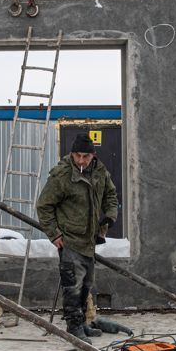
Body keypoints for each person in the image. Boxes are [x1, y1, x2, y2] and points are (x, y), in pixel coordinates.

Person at [36, 133, 118, 338]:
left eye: (85, 156)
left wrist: (109, 216)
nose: (81, 160)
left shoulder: (99, 171)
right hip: (70, 240)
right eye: (77, 156)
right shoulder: (62, 176)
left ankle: (82, 324)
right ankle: (74, 328)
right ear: (72, 154)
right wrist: (54, 234)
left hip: (89, 240)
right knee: (72, 286)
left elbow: (110, 194)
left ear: (93, 155)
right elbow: (44, 206)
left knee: (85, 286)